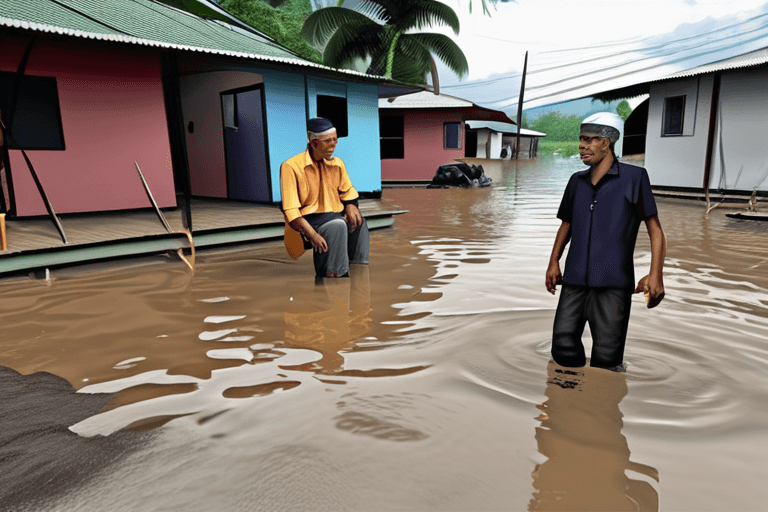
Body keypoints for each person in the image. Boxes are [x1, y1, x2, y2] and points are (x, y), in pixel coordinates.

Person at [545, 112, 666, 370]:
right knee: (563, 347)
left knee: (607, 358)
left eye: (590, 139)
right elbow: (566, 224)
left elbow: (654, 229)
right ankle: (568, 400)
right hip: (574, 280)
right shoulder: (576, 182)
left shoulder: (634, 179)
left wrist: (656, 274)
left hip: (613, 284)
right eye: (581, 139)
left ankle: (603, 405)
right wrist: (553, 262)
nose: (582, 145)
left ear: (607, 142)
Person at [280, 117, 369, 279]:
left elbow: (347, 191)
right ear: (313, 143)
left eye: (335, 140)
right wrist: (311, 234)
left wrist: (351, 205)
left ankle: (360, 276)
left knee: (359, 223)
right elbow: (291, 210)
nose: (333, 145)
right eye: (328, 141)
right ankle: (335, 276)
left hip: (334, 213)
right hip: (307, 220)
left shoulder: (338, 164)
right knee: (337, 225)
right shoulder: (290, 166)